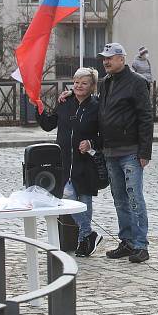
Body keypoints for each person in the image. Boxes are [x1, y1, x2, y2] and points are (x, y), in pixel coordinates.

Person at [37, 68, 103, 257]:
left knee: (84, 201)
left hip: (85, 163)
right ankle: (89, 234)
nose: (79, 86)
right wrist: (39, 107)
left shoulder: (97, 106)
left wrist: (91, 143)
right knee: (67, 199)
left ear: (92, 86)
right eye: (76, 82)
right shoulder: (65, 103)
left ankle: (84, 240)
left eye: (84, 83)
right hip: (65, 162)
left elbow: (104, 135)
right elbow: (49, 124)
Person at [97, 42, 154, 263]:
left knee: (134, 198)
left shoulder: (137, 83)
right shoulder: (105, 83)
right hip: (110, 150)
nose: (106, 61)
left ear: (122, 59)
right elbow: (100, 110)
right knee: (119, 199)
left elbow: (145, 118)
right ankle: (127, 241)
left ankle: (141, 245)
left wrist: (144, 151)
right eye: (104, 58)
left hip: (130, 150)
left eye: (110, 58)